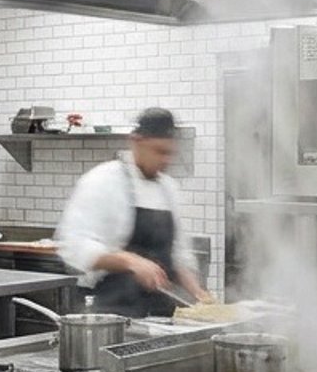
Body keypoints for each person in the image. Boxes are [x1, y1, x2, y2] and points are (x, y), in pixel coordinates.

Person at [56, 107, 214, 317]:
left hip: (161, 317)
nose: (165, 160)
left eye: (169, 153)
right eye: (159, 151)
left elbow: (178, 256)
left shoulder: (169, 189)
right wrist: (131, 261)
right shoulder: (103, 180)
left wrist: (199, 295)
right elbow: (74, 246)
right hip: (113, 316)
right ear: (136, 141)